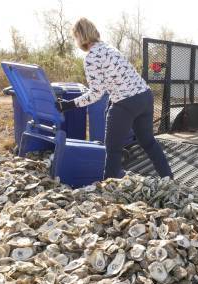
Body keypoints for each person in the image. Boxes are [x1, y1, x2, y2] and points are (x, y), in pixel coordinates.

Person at [55, 17, 172, 180]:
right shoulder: (110, 48)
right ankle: (169, 180)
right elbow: (118, 79)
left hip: (126, 103)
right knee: (149, 142)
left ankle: (108, 193)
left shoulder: (91, 57)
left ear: (80, 36)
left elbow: (96, 93)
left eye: (75, 37)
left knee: (113, 150)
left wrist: (68, 105)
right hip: (145, 97)